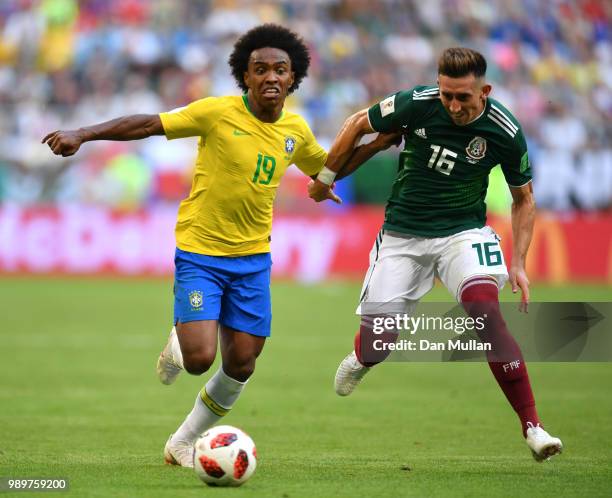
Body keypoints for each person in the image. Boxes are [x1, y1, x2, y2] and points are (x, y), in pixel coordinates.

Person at [42, 24, 396, 467]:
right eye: (260, 69)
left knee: (242, 364)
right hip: (201, 253)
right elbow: (150, 124)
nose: (270, 76)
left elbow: (327, 170)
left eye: (280, 70)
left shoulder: (295, 129)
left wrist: (376, 144)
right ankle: (182, 337)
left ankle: (182, 442)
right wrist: (83, 133)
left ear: (293, 78)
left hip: (252, 260)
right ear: (245, 77)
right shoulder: (216, 112)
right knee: (198, 359)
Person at [308, 47, 563, 462]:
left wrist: (518, 262)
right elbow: (358, 123)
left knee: (486, 313)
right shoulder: (418, 103)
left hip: (462, 232)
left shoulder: (504, 130)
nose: (453, 105)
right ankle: (362, 357)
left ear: (485, 90)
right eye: (447, 95)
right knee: (379, 343)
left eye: (463, 97)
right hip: (403, 236)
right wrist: (324, 177)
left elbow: (524, 199)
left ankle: (533, 426)